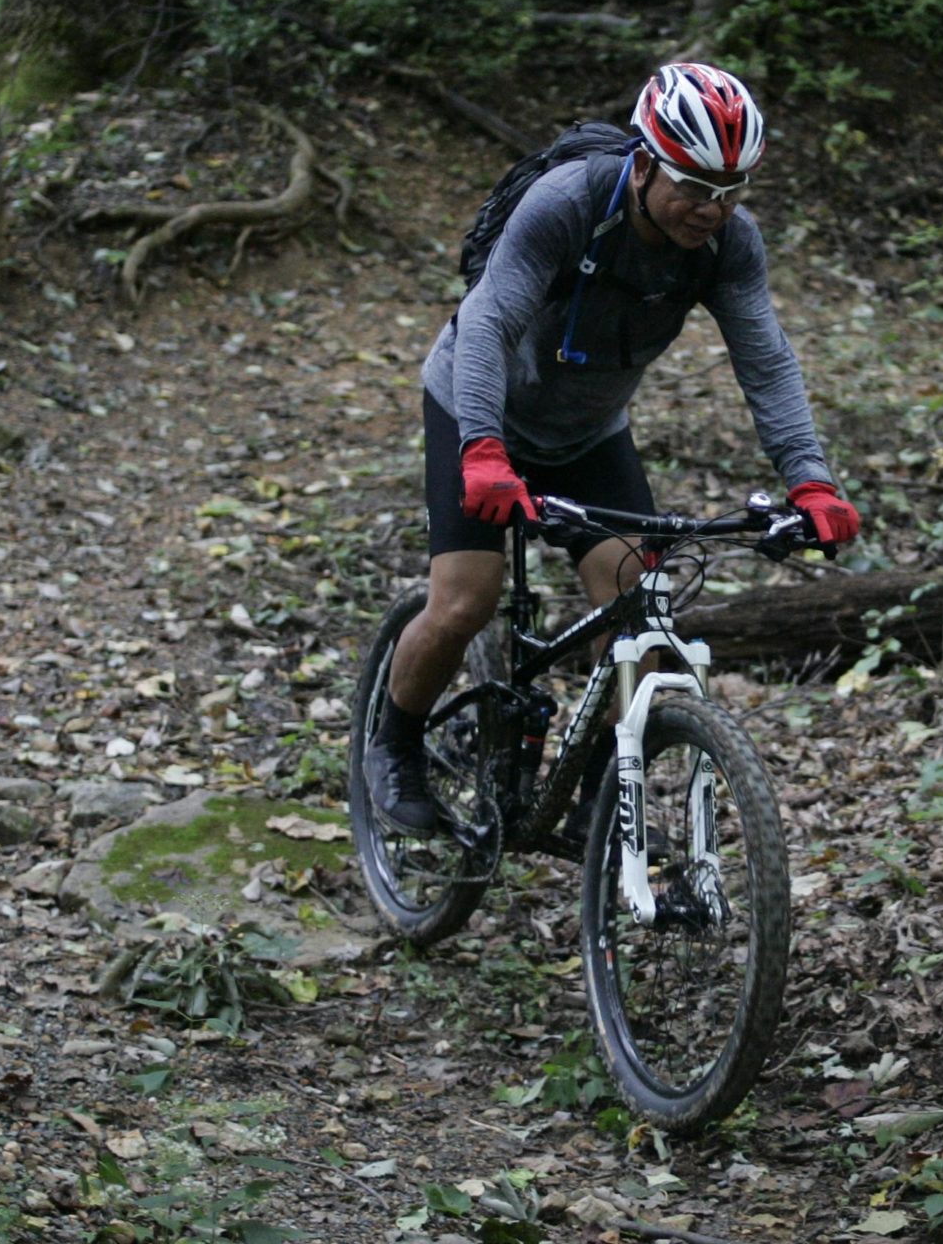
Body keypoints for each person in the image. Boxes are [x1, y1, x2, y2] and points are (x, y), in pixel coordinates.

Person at [366, 62, 861, 837]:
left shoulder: (726, 243)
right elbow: (488, 323)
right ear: (643, 162)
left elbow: (764, 358)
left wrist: (811, 480)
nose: (712, 208)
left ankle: (602, 789)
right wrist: (484, 448)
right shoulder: (566, 205)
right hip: (477, 405)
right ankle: (392, 746)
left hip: (587, 433)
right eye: (694, 187)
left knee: (637, 607)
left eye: (732, 191)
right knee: (466, 598)